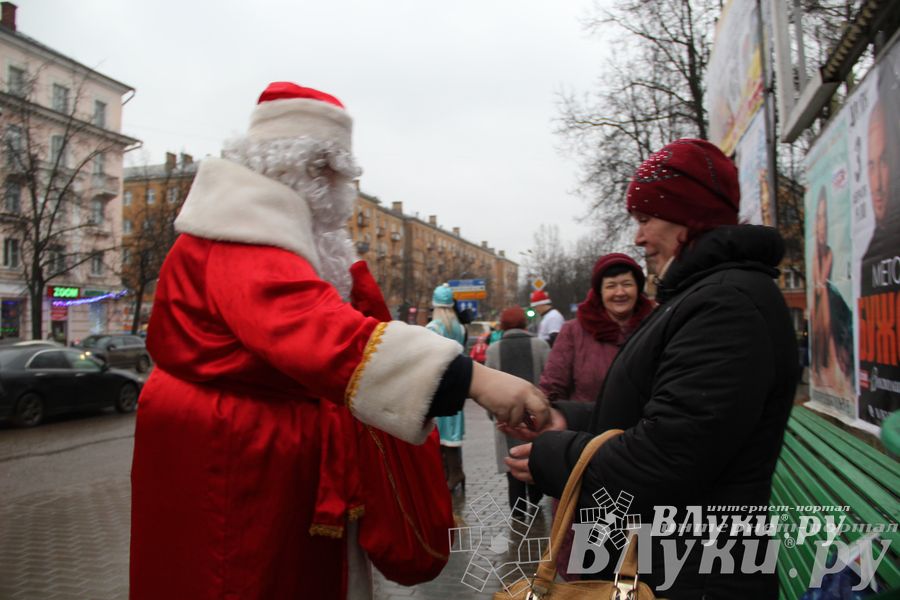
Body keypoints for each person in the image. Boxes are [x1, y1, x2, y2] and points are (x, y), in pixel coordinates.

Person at [129, 82, 550, 600]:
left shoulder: (268, 232)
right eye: (332, 171)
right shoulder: (241, 236)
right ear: (297, 166)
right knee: (239, 578)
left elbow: (347, 317)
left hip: (251, 445)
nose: (341, 190)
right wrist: (473, 378)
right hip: (233, 457)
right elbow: (316, 329)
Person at [504, 139, 799, 599]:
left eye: (645, 220)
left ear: (690, 216)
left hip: (694, 572)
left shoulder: (725, 305)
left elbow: (667, 458)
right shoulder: (704, 296)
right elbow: (661, 410)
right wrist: (567, 418)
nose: (639, 238)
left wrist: (554, 457)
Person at [539, 253, 654, 404]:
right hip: (588, 426)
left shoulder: (655, 325)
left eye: (627, 284)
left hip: (649, 425)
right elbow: (552, 387)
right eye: (611, 286)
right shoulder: (573, 331)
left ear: (638, 289)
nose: (620, 292)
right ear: (600, 292)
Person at [485, 305, 551, 513]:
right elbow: (550, 381)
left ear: (502, 325)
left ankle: (517, 507)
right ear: (524, 323)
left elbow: (487, 387)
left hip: (506, 419)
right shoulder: (540, 345)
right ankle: (535, 500)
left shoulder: (493, 350)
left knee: (512, 460)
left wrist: (493, 414)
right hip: (536, 418)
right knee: (536, 458)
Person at [810, 189, 853, 397]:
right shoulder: (815, 258)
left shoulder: (828, 252)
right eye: (818, 218)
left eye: (824, 218)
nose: (822, 225)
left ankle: (834, 361)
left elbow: (822, 289)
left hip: (828, 310)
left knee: (827, 294)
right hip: (821, 315)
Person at [427, 283, 467, 492]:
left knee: (441, 431)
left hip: (440, 384)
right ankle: (454, 473)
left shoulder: (435, 327)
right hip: (458, 382)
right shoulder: (459, 328)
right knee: (452, 430)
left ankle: (451, 474)